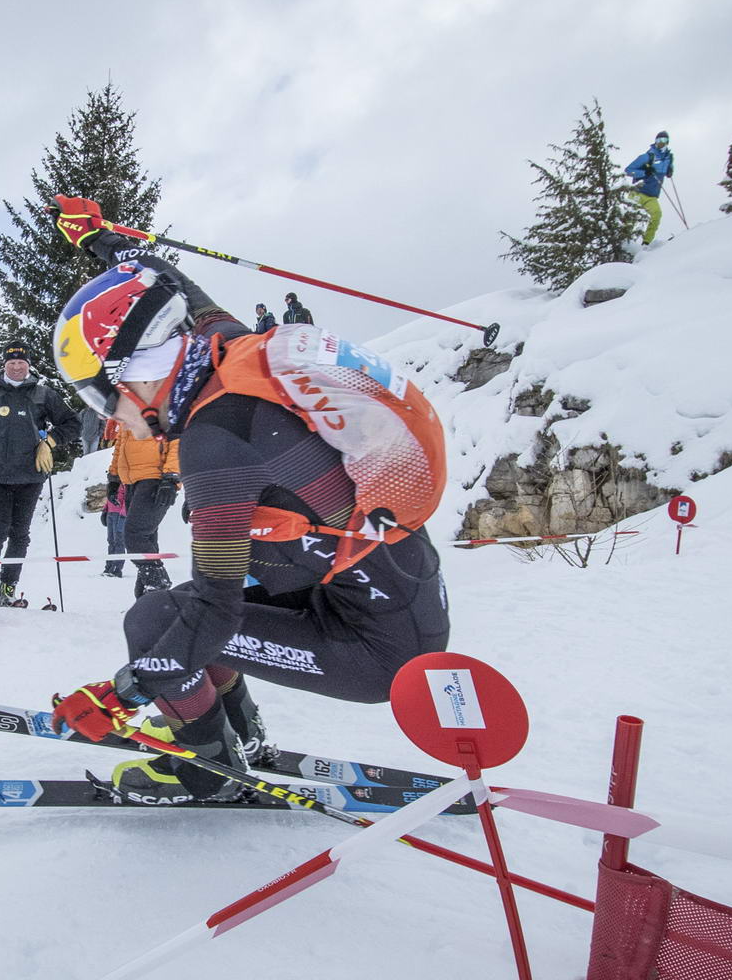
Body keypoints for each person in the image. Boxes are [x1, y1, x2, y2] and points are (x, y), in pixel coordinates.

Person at [42, 195, 452, 804]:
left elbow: (216, 610)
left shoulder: (217, 442)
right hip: (385, 589)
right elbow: (170, 283)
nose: (116, 420)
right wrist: (98, 241)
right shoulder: (227, 350)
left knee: (157, 621)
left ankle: (209, 773)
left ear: (135, 376)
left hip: (378, 649)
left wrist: (120, 695)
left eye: (107, 399)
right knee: (175, 615)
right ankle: (239, 737)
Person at [0, 342, 81, 606]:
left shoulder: (42, 394)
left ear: (28, 365)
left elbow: (73, 423)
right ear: (4, 365)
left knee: (20, 533)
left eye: (21, 363)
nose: (16, 367)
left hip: (31, 474)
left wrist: (48, 443)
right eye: (11, 363)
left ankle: (8, 587)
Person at [108, 417, 181, 598]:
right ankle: (149, 598)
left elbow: (178, 438)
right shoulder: (128, 406)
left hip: (155, 476)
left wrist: (171, 476)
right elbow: (121, 442)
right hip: (132, 479)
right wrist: (114, 476)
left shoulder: (161, 400)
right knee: (147, 539)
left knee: (134, 534)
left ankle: (158, 584)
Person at [622, 131, 675, 243]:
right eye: (658, 140)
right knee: (630, 218)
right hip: (637, 192)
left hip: (652, 196)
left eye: (664, 140)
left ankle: (646, 243)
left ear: (667, 142)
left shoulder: (668, 158)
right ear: (655, 141)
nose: (661, 143)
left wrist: (670, 171)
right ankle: (623, 242)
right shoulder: (647, 156)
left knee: (657, 215)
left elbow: (669, 171)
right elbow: (628, 170)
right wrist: (644, 172)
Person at [101, 479, 128, 578]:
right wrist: (105, 510)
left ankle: (117, 568)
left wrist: (123, 514)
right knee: (111, 541)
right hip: (111, 514)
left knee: (119, 541)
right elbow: (109, 496)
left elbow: (127, 499)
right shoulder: (113, 482)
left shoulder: (125, 481)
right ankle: (109, 566)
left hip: (119, 514)